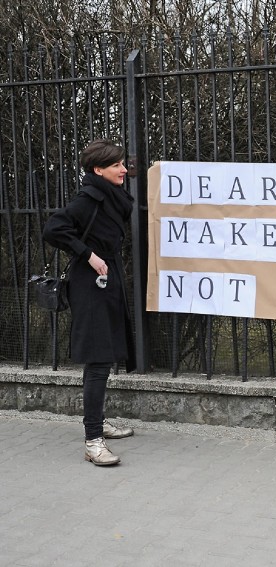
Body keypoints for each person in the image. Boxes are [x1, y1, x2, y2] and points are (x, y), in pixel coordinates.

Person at [43, 139, 137, 466]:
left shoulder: (111, 196)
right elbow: (54, 229)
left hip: (107, 282)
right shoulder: (88, 198)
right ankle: (93, 440)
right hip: (90, 285)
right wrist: (89, 254)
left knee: (104, 356)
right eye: (116, 165)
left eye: (123, 163)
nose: (124, 169)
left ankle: (98, 422)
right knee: (98, 360)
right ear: (99, 170)